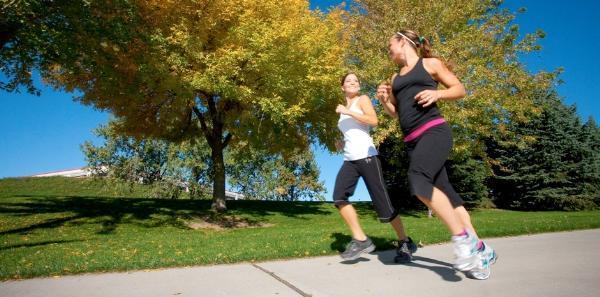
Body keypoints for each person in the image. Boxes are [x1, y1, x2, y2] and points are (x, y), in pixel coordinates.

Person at [375, 30, 497, 279]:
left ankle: (463, 240)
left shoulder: (430, 64)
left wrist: (438, 93)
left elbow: (460, 89)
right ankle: (482, 250)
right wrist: (385, 101)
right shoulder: (395, 78)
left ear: (403, 42)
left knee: (418, 180)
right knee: (450, 198)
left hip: (434, 132)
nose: (387, 50)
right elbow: (397, 114)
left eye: (389, 44)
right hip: (413, 141)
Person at [334, 72, 417, 262]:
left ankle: (405, 241)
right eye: (349, 81)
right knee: (339, 197)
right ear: (343, 87)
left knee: (384, 207)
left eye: (356, 80)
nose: (353, 82)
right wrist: (341, 143)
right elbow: (353, 132)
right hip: (350, 159)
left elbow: (373, 121)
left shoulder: (362, 100)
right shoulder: (344, 107)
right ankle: (361, 239)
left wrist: (349, 112)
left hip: (368, 157)